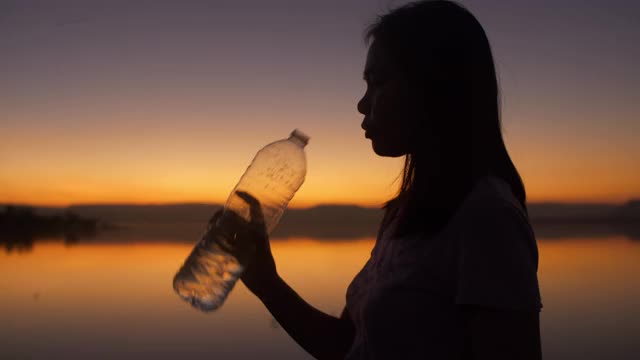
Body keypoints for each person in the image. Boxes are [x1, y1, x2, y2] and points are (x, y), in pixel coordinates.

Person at [220, 1, 543, 358]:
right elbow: (349, 344)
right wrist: (267, 284)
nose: (362, 104)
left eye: (378, 82)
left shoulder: (488, 219)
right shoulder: (407, 214)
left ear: (435, 86)